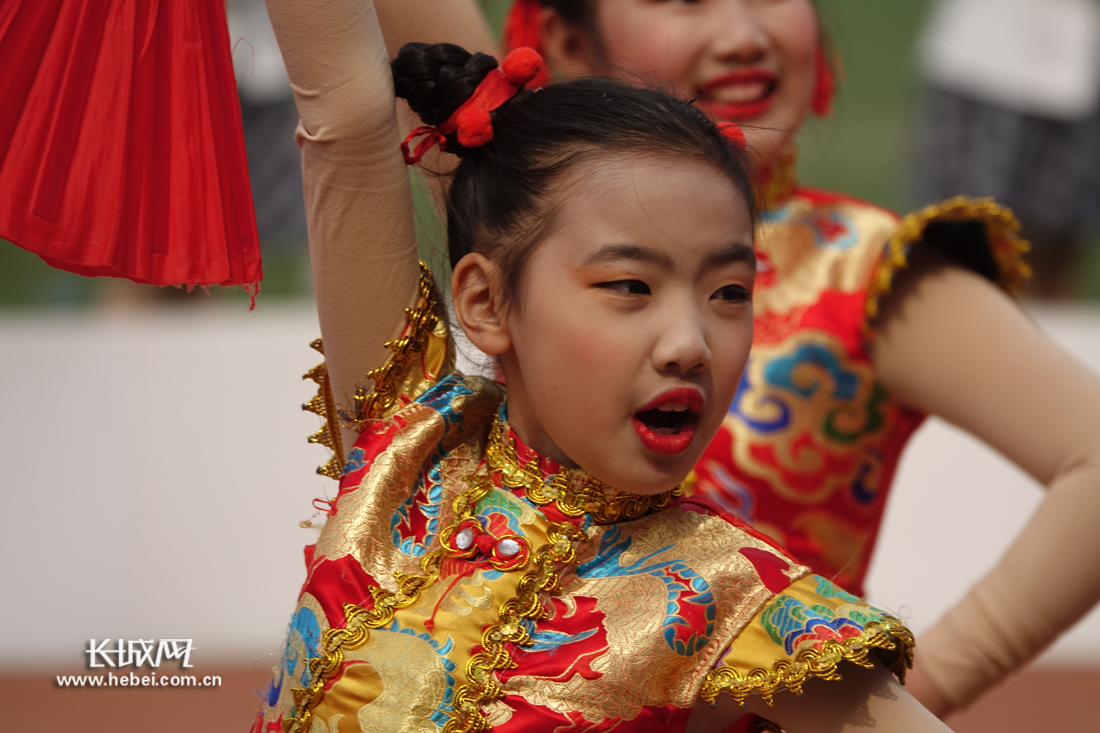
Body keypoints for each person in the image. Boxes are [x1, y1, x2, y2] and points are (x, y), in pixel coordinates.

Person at [366, 0, 1100, 718]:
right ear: (563, 33)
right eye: (628, 286)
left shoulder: (860, 266)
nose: (742, 32)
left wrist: (890, 694)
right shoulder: (529, 212)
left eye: (730, 291)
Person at [252, 1, 957, 730]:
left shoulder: (737, 601)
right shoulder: (409, 447)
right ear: (486, 302)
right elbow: (342, 109)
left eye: (729, 292)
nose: (690, 342)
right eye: (630, 286)